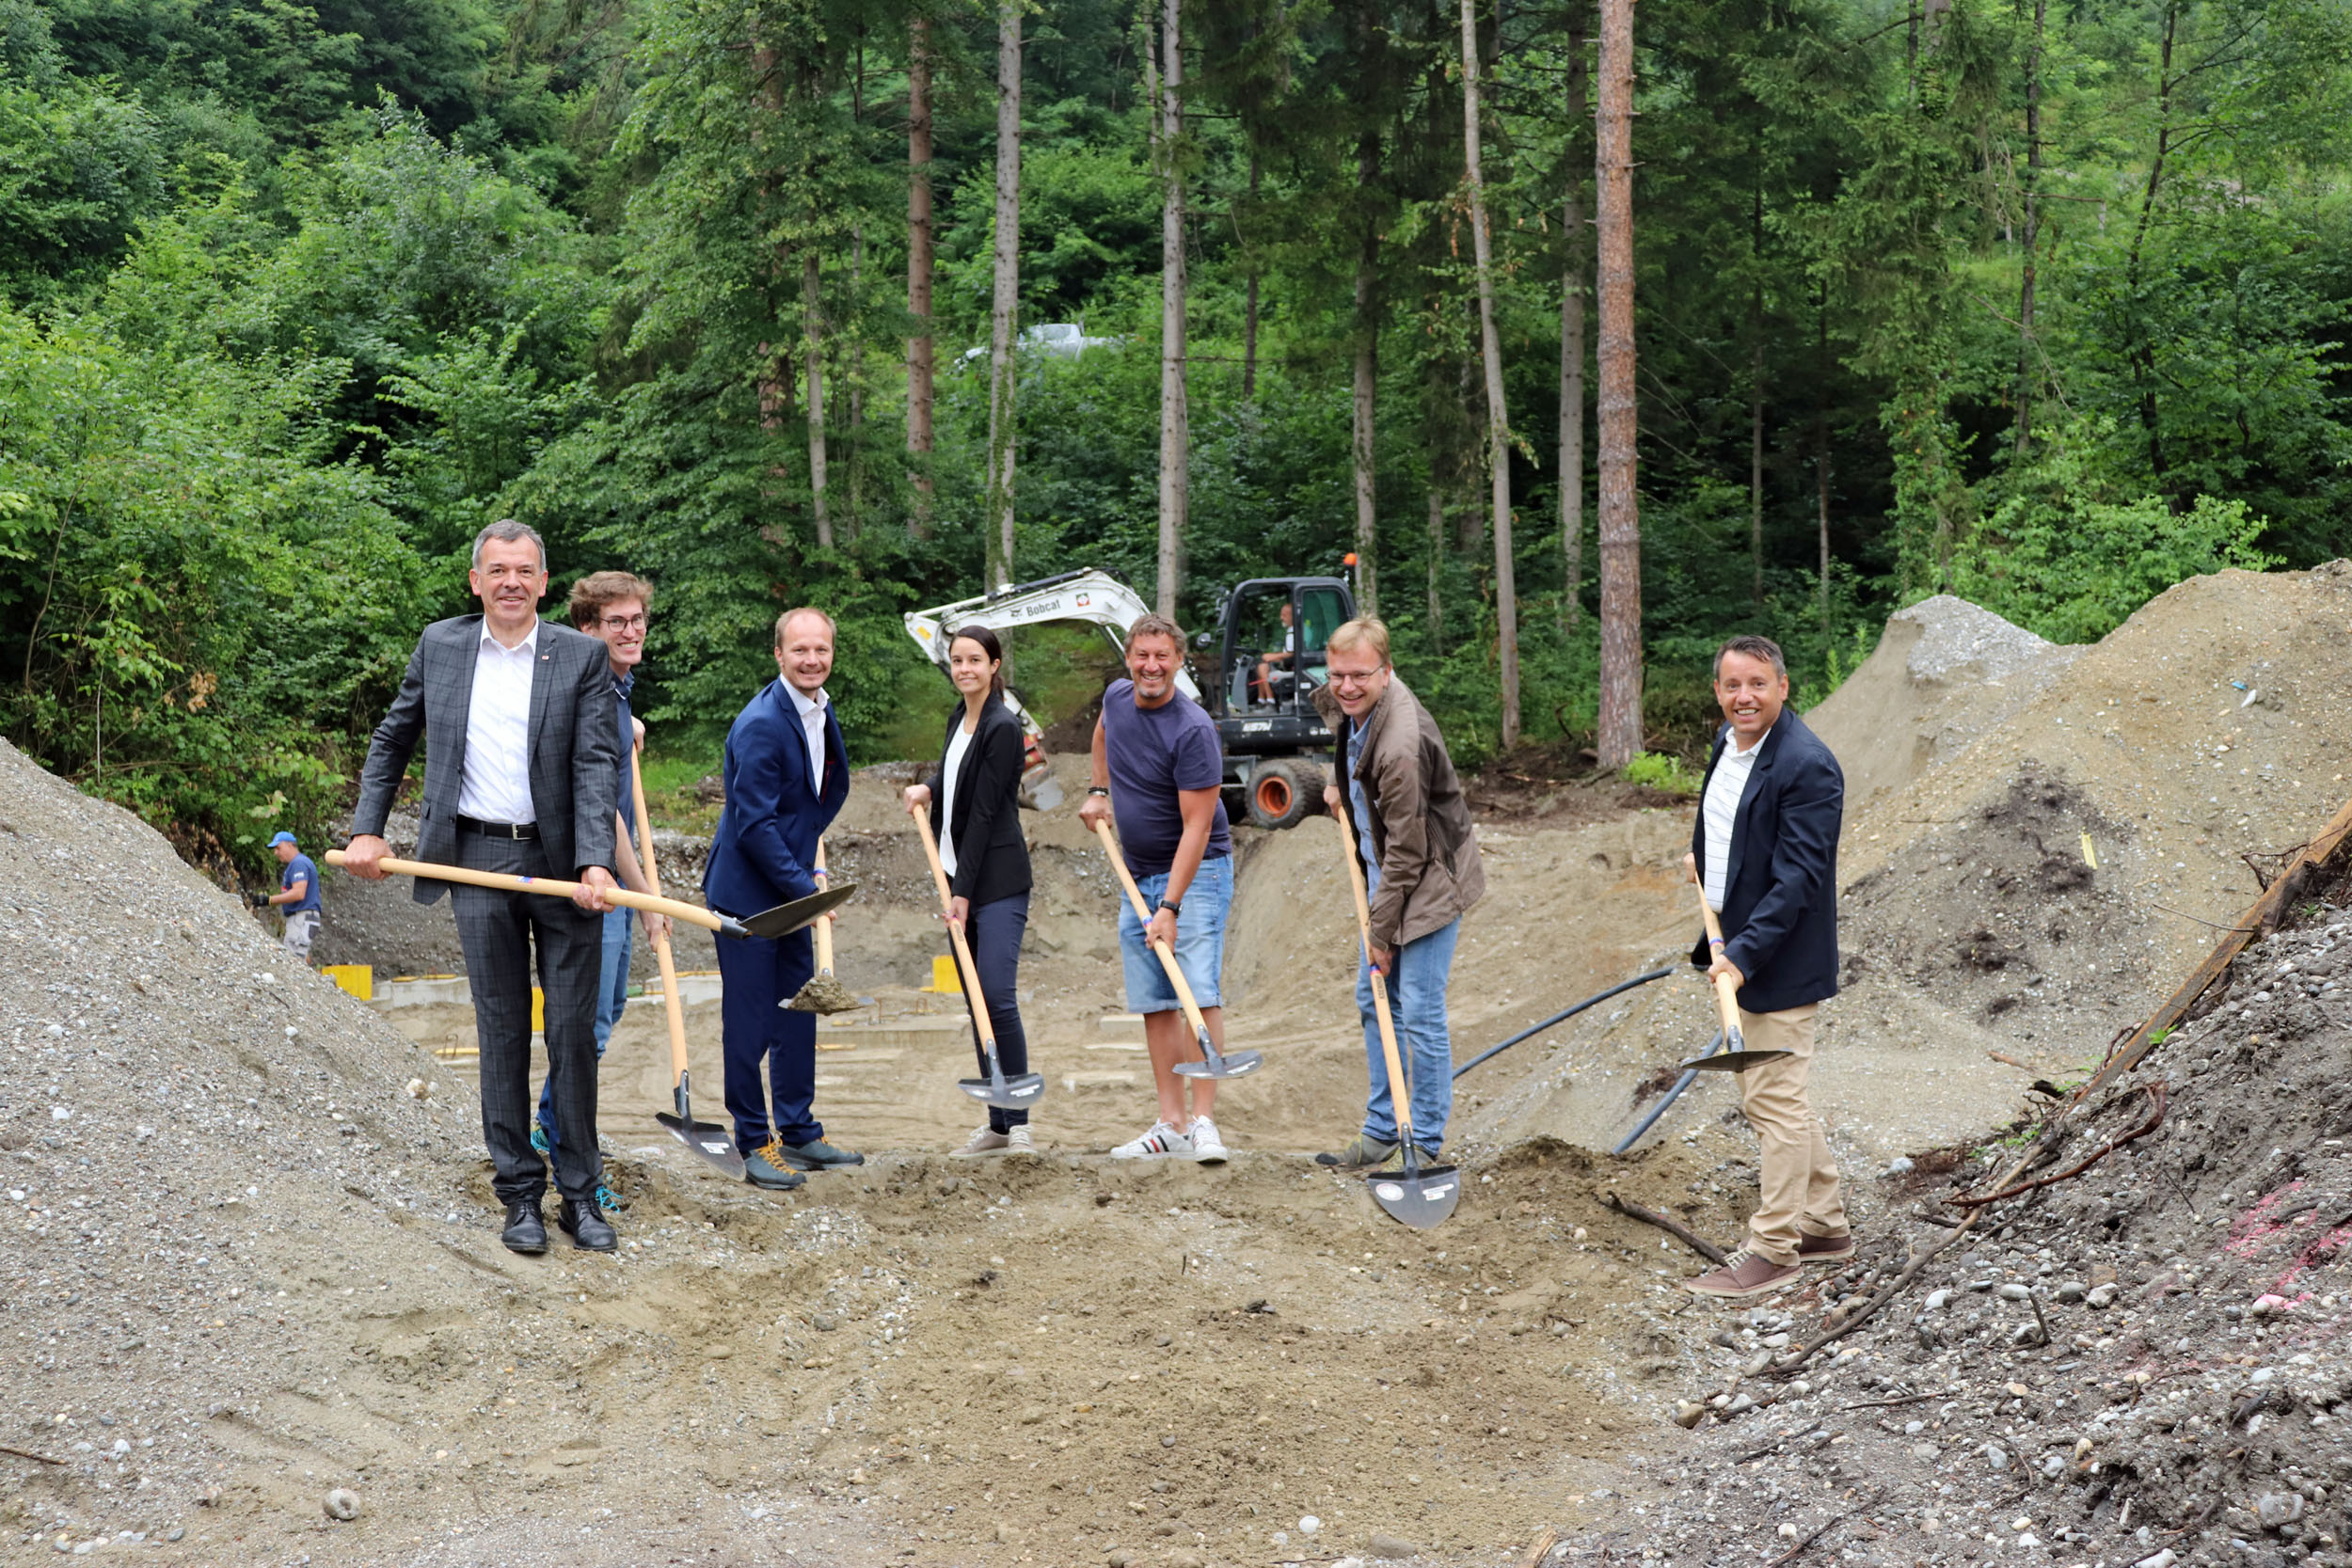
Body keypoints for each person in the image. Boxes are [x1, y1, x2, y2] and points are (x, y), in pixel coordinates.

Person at [342, 519, 622, 1257]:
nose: (510, 582)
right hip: (474, 858)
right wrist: (368, 828)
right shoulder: (441, 645)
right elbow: (392, 737)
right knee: (501, 1031)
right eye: (496, 570)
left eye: (523, 571)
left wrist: (597, 861)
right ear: (476, 580)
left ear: (542, 581)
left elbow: (598, 763)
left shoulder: (582, 656)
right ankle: (519, 1196)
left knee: (571, 1035)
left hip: (562, 865)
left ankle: (580, 1194)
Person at [1682, 633, 1852, 1301]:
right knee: (1779, 1095)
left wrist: (1743, 959)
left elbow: (1799, 878)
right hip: (1737, 943)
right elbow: (1727, 830)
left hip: (1776, 956)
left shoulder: (1808, 765)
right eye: (1731, 685)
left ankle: (1775, 1248)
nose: (1743, 696)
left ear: (1783, 686)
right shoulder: (1728, 746)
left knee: (1772, 1101)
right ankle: (1826, 1223)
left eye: (1757, 683)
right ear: (1718, 691)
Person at [1308, 617, 1485, 1173]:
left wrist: (1381, 934)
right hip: (1393, 872)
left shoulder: (1401, 746)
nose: (1346, 686)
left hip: (1430, 881)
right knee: (1375, 999)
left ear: (1387, 672)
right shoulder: (1355, 705)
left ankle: (1425, 1139)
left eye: (1360, 675)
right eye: (1337, 673)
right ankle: (1385, 1129)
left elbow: (1409, 853)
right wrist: (1342, 780)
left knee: (1419, 1010)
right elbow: (1343, 728)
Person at [704, 608, 861, 1192]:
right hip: (748, 899)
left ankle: (798, 1128)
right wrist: (806, 890)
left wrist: (805, 868)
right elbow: (753, 825)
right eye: (800, 651)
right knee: (748, 1025)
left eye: (821, 649)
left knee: (799, 1011)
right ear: (778, 654)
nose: (812, 659)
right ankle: (753, 1140)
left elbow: (820, 793)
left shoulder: (818, 709)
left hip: (791, 888)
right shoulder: (763, 724)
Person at [529, 572, 672, 1211]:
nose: (632, 629)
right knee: (589, 1027)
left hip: (609, 880)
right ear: (588, 629)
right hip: (594, 878)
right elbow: (606, 817)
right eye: (617, 621)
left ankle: (549, 1121)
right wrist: (647, 899)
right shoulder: (589, 694)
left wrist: (628, 722)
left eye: (638, 619)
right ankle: (565, 1147)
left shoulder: (611, 690)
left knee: (601, 1015)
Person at [1079, 613, 1237, 1164]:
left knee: (1196, 990)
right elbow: (1103, 729)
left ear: (1178, 660)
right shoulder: (1118, 698)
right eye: (1142, 655)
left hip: (1195, 875)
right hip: (1136, 871)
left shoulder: (1192, 729)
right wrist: (1099, 789)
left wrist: (1169, 904)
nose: (1151, 666)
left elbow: (1197, 826)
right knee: (1154, 999)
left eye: (1162, 656)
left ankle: (1203, 1121)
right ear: (1128, 658)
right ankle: (1169, 1123)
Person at [901, 626, 1038, 1158]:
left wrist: (962, 890)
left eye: (975, 660)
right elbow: (958, 778)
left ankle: (1020, 1121)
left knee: (998, 998)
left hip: (996, 882)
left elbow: (983, 812)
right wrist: (929, 788)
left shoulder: (1005, 727)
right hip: (960, 878)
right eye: (957, 661)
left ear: (995, 665)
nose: (964, 669)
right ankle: (998, 1125)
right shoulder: (961, 717)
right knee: (976, 1003)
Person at [256, 832, 323, 965]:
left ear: (290, 845)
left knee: (293, 962)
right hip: (303, 918)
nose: (276, 852)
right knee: (298, 957)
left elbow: (299, 893)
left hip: (302, 917)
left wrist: (268, 900)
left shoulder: (299, 863)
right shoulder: (297, 864)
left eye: (278, 848)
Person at [1252, 599, 1297, 705]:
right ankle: (1261, 699)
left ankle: (1270, 700)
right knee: (1261, 664)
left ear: (1293, 616)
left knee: (1262, 667)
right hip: (1287, 664)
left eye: (1284, 615)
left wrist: (1272, 657)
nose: (1281, 618)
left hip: (1291, 666)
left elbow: (1291, 654)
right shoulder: (1291, 630)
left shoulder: (1294, 632)